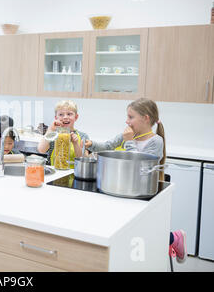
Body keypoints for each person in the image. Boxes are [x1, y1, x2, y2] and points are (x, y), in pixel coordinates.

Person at [84, 97, 187, 263]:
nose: (127, 121)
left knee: (145, 228)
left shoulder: (156, 141)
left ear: (146, 118)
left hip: (142, 190)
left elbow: (138, 161)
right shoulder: (128, 135)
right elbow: (108, 146)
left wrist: (130, 141)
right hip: (125, 187)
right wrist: (91, 144)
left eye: (131, 117)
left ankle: (175, 238)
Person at [37, 100, 89, 166]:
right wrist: (50, 129)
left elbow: (84, 160)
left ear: (76, 117)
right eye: (61, 114)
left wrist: (75, 143)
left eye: (69, 114)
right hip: (55, 174)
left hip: (74, 174)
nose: (65, 117)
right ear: (56, 118)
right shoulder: (53, 135)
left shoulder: (83, 136)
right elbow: (41, 149)